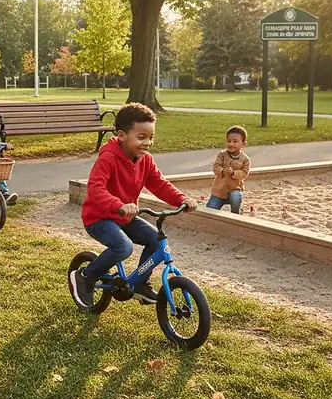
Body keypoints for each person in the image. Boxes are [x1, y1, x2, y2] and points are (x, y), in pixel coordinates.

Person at [69, 103, 197, 309]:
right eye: (141, 137)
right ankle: (85, 276)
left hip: (124, 216)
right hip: (99, 217)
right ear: (121, 135)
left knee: (156, 240)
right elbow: (95, 188)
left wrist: (181, 199)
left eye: (151, 137)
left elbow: (159, 184)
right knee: (123, 247)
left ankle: (140, 284)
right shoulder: (108, 158)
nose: (147, 142)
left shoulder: (145, 160)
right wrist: (119, 205)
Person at [206, 126, 251, 214]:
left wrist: (234, 173)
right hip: (219, 190)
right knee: (210, 209)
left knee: (236, 197)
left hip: (235, 189)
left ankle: (236, 212)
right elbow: (216, 167)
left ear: (243, 143)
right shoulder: (222, 155)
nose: (231, 144)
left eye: (235, 141)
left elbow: (244, 173)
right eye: (228, 141)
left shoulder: (245, 159)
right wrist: (222, 171)